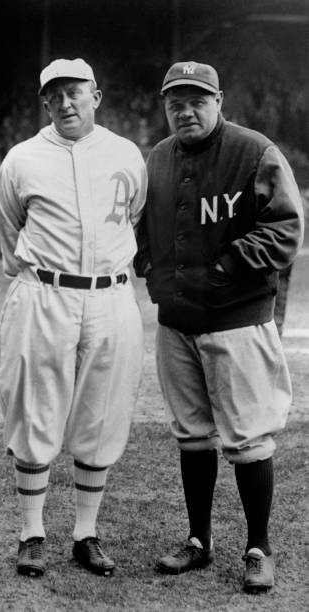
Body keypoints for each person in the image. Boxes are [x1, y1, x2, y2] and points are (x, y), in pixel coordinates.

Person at [134, 61, 304, 593]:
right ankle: (198, 541)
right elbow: (141, 231)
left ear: (219, 100)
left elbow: (285, 229)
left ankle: (258, 547)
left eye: (197, 100)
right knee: (191, 433)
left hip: (237, 320)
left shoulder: (254, 151)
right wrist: (144, 264)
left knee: (250, 438)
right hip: (177, 321)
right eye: (175, 102)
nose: (185, 110)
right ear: (165, 106)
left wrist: (228, 265)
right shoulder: (158, 158)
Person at [0, 58, 147, 578]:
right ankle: (31, 534)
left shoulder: (126, 154)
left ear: (96, 96)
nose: (65, 103)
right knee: (36, 412)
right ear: (44, 102)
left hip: (111, 295)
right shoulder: (22, 158)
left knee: (100, 415)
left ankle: (86, 533)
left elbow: (135, 216)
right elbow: (9, 232)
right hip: (44, 293)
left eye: (75, 92)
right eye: (54, 95)